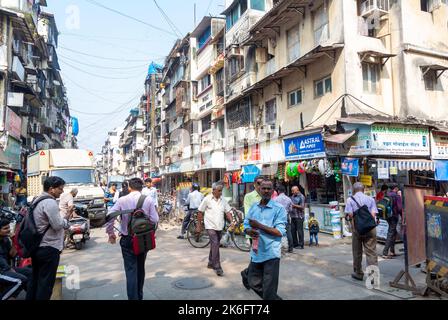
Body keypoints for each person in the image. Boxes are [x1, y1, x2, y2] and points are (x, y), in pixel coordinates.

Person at [105, 178, 159, 300]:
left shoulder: (122, 200)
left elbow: (110, 216)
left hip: (127, 239)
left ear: (129, 187)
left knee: (131, 271)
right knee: (140, 269)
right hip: (143, 239)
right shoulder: (148, 199)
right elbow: (155, 220)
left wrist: (111, 233)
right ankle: (139, 296)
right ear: (142, 187)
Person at [243, 178, 287, 300]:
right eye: (264, 188)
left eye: (269, 188)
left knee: (268, 290)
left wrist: (259, 226)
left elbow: (279, 232)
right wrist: (249, 231)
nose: (266, 191)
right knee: (252, 282)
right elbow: (246, 224)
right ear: (259, 190)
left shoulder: (279, 209)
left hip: (271, 253)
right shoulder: (254, 207)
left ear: (273, 191)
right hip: (257, 252)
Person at [27, 176, 68, 300]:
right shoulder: (49, 202)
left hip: (37, 247)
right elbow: (57, 225)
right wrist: (66, 222)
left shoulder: (37, 199)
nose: (62, 191)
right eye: (60, 189)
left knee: (35, 281)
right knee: (45, 285)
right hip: (48, 248)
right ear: (51, 189)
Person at [196, 182, 233, 276]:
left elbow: (228, 212)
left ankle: (210, 262)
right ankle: (217, 266)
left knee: (214, 244)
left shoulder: (223, 200)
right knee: (216, 243)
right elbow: (200, 212)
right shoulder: (207, 199)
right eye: (219, 190)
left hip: (219, 226)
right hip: (210, 226)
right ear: (213, 190)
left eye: (221, 190)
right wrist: (199, 225)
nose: (221, 192)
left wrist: (232, 221)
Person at [345, 182, 379, 281]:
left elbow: (350, 215)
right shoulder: (370, 199)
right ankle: (373, 277)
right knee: (371, 252)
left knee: (357, 252)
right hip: (370, 228)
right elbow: (373, 214)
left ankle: (358, 273)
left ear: (353, 190)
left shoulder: (350, 200)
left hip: (357, 229)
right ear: (363, 190)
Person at [0, 218, 32, 300]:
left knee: (30, 272)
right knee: (20, 280)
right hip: (2, 270)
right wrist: (9, 268)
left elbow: (12, 255)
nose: (8, 230)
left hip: (6, 269)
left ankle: (32, 297)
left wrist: (13, 241)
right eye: (5, 228)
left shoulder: (5, 240)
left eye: (8, 228)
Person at [382, 184, 403, 259]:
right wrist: (403, 216)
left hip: (388, 216)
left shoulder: (387, 194)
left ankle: (392, 251)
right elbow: (400, 208)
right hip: (394, 216)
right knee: (391, 233)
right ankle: (385, 252)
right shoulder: (396, 196)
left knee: (393, 232)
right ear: (396, 188)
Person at [274, 185, 294, 253]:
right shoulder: (289, 199)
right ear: (285, 191)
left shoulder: (276, 199)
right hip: (286, 217)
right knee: (288, 232)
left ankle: (279, 247)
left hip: (278, 218)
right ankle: (291, 248)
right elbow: (291, 209)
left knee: (278, 232)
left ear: (278, 191)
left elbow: (274, 209)